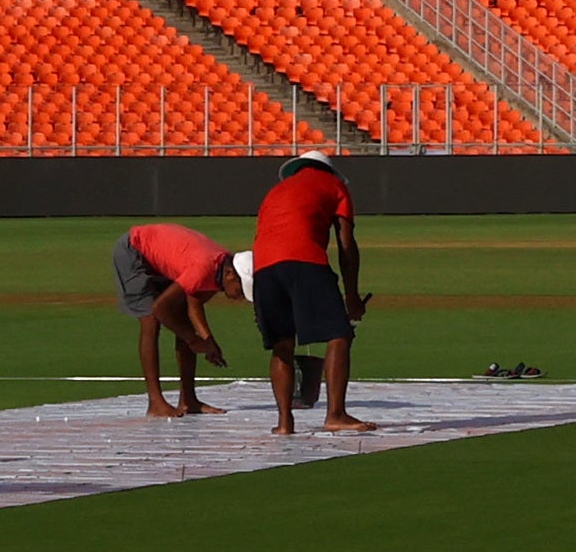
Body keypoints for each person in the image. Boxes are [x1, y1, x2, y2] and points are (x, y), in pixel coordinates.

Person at [251, 149, 379, 433]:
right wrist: (352, 296)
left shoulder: (276, 191)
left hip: (263, 266)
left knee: (282, 344)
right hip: (305, 260)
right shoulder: (334, 185)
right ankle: (336, 414)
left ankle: (285, 422)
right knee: (339, 334)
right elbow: (346, 243)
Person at [114, 220, 248, 413]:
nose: (240, 297)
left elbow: (193, 305)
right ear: (229, 274)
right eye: (241, 290)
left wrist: (208, 341)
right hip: (135, 251)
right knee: (150, 320)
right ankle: (155, 402)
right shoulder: (204, 269)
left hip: (158, 255)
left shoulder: (219, 270)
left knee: (183, 320)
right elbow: (160, 308)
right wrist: (192, 339)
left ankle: (188, 400)